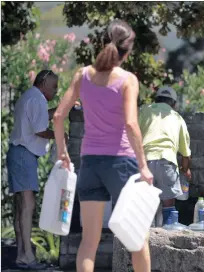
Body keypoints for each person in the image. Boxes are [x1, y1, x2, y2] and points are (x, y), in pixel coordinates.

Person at [52, 20, 153, 272]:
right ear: (127, 51)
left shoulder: (82, 76)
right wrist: (143, 166)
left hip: (90, 163)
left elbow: (57, 116)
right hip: (121, 163)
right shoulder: (128, 80)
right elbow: (131, 123)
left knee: (89, 241)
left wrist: (62, 152)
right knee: (138, 238)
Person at [6, 70, 60, 270]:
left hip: (19, 153)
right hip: (24, 155)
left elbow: (39, 119)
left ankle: (22, 253)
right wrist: (60, 136)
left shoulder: (30, 96)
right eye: (54, 86)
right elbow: (40, 129)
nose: (56, 90)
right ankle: (27, 255)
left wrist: (60, 109)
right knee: (28, 207)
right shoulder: (37, 99)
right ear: (44, 82)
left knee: (22, 207)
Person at [138, 86, 192, 226]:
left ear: (156, 100)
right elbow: (186, 154)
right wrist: (185, 170)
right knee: (168, 204)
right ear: (174, 104)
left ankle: (142, 243)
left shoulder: (145, 110)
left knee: (144, 205)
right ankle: (167, 240)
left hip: (145, 162)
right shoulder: (177, 117)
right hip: (166, 161)